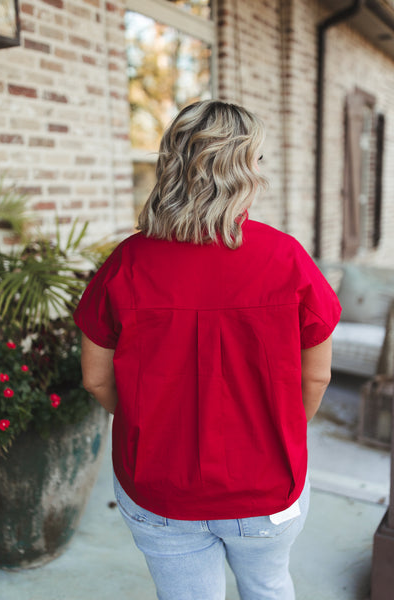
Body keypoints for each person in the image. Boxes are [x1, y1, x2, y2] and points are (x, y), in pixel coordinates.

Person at [74, 100, 341, 600]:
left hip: (158, 485)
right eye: (257, 158)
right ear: (241, 169)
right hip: (266, 486)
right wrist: (275, 427)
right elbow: (317, 377)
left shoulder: (128, 262)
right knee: (268, 587)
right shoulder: (286, 258)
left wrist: (144, 421)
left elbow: (95, 378)